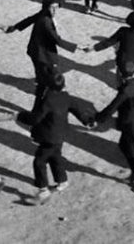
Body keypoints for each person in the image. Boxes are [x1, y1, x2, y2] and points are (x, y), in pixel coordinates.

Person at [30, 73, 94, 204]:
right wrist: (87, 121)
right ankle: (62, 181)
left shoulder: (48, 100)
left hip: (49, 137)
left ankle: (43, 190)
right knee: (55, 157)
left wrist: (21, 116)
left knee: (39, 161)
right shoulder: (66, 97)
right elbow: (77, 110)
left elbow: (37, 118)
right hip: (61, 135)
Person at [6, 0, 80, 106]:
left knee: (42, 78)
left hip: (35, 51)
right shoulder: (46, 21)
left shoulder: (43, 13)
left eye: (56, 7)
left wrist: (15, 27)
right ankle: (42, 102)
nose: (55, 10)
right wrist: (77, 47)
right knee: (51, 79)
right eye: (52, 7)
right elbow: (57, 40)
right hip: (43, 55)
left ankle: (40, 92)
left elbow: (29, 19)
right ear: (46, 7)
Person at [95, 61, 134, 192]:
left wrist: (98, 118)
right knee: (124, 145)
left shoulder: (126, 90)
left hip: (131, 124)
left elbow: (112, 107)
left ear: (121, 74)